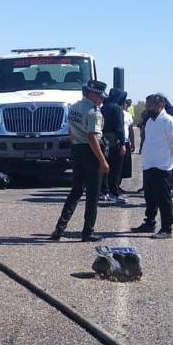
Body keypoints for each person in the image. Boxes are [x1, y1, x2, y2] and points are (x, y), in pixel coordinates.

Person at [50, 79, 110, 242]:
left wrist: (75, 143)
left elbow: (70, 129)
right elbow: (92, 137)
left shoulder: (74, 106)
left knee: (75, 192)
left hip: (77, 149)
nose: (102, 99)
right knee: (92, 195)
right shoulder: (93, 112)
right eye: (100, 96)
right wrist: (102, 160)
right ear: (92, 94)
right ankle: (88, 232)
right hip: (91, 152)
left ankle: (59, 229)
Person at [132, 93, 173, 238]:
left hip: (163, 167)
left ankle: (167, 228)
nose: (147, 108)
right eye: (147, 106)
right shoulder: (150, 121)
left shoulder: (169, 122)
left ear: (161, 105)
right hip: (149, 166)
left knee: (164, 200)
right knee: (150, 198)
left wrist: (170, 159)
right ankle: (150, 223)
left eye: (150, 106)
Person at [100, 88, 128, 203]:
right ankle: (114, 193)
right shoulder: (117, 109)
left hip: (102, 141)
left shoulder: (103, 107)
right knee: (115, 169)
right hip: (114, 142)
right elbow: (119, 127)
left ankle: (104, 192)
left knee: (104, 168)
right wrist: (122, 143)